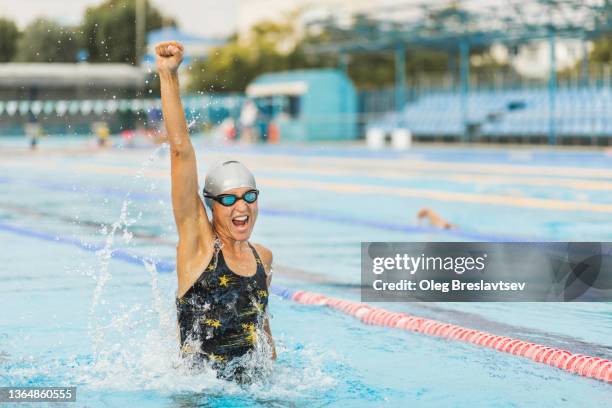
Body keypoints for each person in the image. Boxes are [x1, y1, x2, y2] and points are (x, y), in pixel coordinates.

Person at [155, 41, 276, 382]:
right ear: (210, 205)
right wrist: (168, 76)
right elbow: (180, 151)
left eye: (249, 196)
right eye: (228, 199)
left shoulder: (263, 258)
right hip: (199, 394)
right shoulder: (198, 247)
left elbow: (263, 334)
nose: (241, 207)